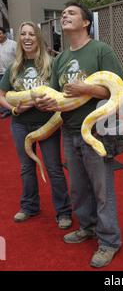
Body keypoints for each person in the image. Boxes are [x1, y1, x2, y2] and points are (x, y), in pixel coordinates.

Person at [35, 2, 123, 268]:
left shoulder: (100, 50)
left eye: (71, 13)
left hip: (97, 131)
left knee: (102, 189)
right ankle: (87, 226)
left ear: (86, 22)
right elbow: (57, 94)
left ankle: (109, 241)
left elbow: (117, 90)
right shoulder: (61, 58)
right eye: (63, 13)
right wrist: (45, 103)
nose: (64, 15)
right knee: (79, 187)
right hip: (69, 129)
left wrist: (85, 89)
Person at [0, 21, 72, 229]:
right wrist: (14, 109)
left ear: (38, 38)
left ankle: (63, 211)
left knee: (54, 168)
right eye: (23, 34)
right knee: (26, 167)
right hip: (20, 125)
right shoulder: (15, 67)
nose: (27, 37)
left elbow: (63, 93)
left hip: (47, 123)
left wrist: (48, 102)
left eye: (32, 34)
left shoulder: (52, 64)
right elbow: (2, 94)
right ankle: (29, 206)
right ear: (20, 39)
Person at [0, 27, 17, 118]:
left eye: (0, 33)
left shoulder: (13, 44)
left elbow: (19, 57)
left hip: (11, 72)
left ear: (5, 34)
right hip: (0, 72)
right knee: (2, 92)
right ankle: (4, 108)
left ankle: (8, 109)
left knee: (10, 92)